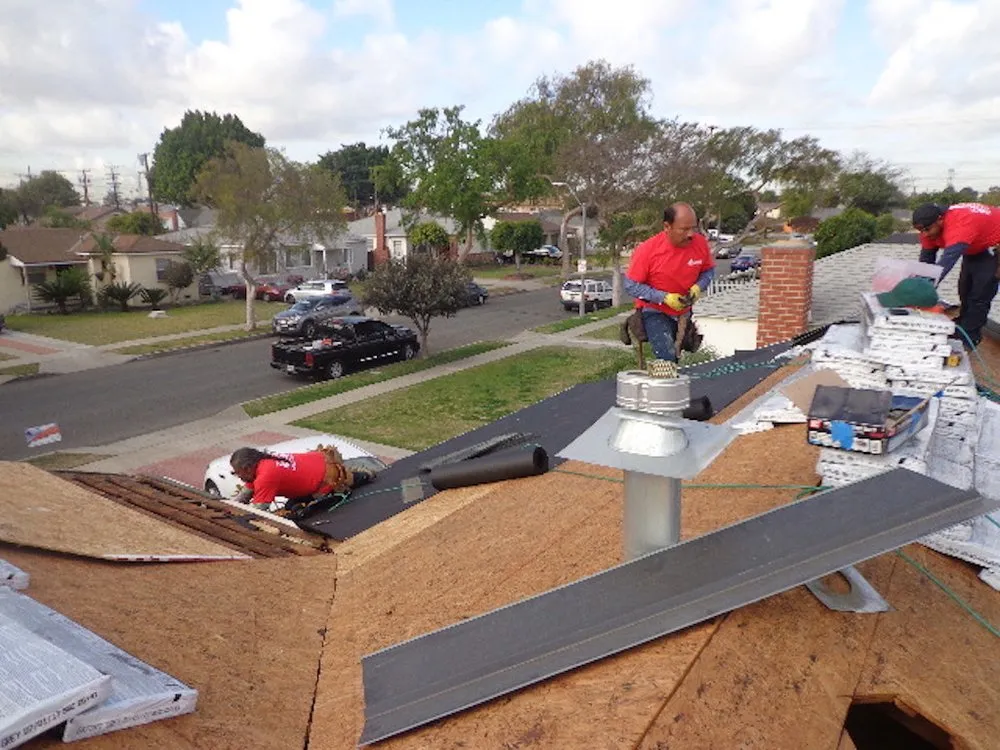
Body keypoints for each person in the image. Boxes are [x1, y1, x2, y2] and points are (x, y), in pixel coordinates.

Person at [622, 203, 716, 361]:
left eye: (693, 228)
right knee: (667, 356)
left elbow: (708, 271)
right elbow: (631, 285)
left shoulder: (700, 244)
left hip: (684, 311)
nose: (691, 234)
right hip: (654, 310)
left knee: (678, 355)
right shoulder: (647, 250)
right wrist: (664, 297)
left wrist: (698, 287)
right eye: (684, 229)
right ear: (667, 226)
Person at [912, 202, 1000, 347]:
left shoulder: (960, 225)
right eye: (921, 231)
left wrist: (924, 290)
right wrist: (918, 285)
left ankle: (970, 338)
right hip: (976, 244)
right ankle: (961, 328)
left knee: (980, 295)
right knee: (964, 289)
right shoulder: (927, 228)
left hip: (994, 245)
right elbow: (926, 263)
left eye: (927, 230)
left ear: (940, 219)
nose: (925, 234)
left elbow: (945, 263)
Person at [230, 444, 375, 514]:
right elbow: (245, 494)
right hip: (321, 462)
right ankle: (358, 475)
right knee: (292, 505)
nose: (239, 477)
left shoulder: (266, 476)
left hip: (325, 479)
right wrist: (230, 506)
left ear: (248, 468)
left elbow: (258, 511)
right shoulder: (263, 463)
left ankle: (364, 476)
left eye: (238, 473)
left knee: (294, 508)